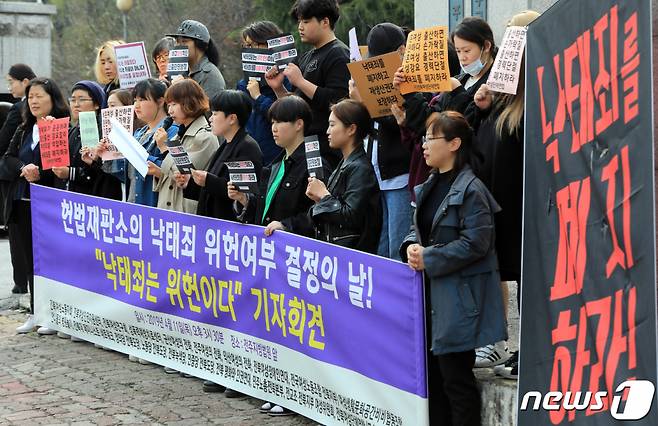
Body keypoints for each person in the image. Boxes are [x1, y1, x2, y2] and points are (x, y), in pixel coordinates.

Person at [400, 111, 506, 426]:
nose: (424, 147)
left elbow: (477, 243)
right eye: (424, 139)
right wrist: (410, 246)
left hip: (460, 298)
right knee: (432, 380)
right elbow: (418, 228)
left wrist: (429, 257)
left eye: (431, 139)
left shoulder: (472, 190)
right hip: (432, 295)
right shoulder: (431, 184)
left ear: (455, 143)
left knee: (456, 381)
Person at [228, 95, 328, 416]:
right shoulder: (278, 163)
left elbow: (317, 213)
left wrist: (286, 225)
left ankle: (293, 392)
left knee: (293, 325)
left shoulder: (312, 164)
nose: (273, 128)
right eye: (271, 121)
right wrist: (245, 201)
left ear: (299, 125)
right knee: (273, 322)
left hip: (296, 257)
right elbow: (264, 206)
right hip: (271, 256)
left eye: (280, 122)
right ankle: (275, 386)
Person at [471, 10, 540, 379]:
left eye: (519, 36)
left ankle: (530, 350)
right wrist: (483, 107)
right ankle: (511, 347)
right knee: (507, 273)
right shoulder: (502, 99)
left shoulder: (539, 96)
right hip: (500, 202)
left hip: (526, 205)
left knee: (530, 279)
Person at [0, 78, 70, 334]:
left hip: (47, 203)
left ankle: (53, 313)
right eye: (30, 98)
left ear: (53, 99)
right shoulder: (24, 130)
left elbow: (60, 167)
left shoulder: (62, 127)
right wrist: (23, 167)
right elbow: (7, 159)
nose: (34, 101)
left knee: (49, 261)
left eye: (39, 96)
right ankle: (35, 311)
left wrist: (40, 171)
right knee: (28, 260)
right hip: (20, 202)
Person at [350, 23, 412, 261]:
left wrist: (367, 103)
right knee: (382, 246)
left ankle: (403, 297)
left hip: (399, 175)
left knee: (399, 247)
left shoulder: (409, 80)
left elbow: (402, 124)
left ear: (401, 51)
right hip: (378, 174)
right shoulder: (373, 79)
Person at [265, 0, 350, 168]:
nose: (300, 27)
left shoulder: (339, 53)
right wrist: (279, 89)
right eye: (299, 22)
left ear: (325, 22)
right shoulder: (305, 56)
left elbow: (340, 102)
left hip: (326, 149)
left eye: (306, 21)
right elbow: (298, 106)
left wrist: (301, 81)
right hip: (303, 147)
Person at [398, 17, 498, 135]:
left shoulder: (496, 85)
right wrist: (409, 90)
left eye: (467, 51)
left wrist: (458, 93)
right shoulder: (460, 79)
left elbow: (469, 131)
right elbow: (430, 124)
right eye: (458, 51)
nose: (462, 57)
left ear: (486, 46)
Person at [306, 99, 381, 253]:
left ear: (351, 129)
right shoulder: (346, 163)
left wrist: (324, 196)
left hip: (353, 258)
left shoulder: (360, 168)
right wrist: (319, 199)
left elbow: (351, 216)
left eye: (332, 125)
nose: (327, 131)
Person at [175, 89, 263, 220]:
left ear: (232, 118)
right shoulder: (226, 144)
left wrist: (208, 180)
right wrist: (190, 182)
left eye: (215, 114)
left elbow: (242, 193)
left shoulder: (247, 147)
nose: (210, 119)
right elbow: (210, 191)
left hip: (228, 228)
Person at [151, 79, 219, 213]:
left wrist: (164, 149)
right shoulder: (179, 134)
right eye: (168, 105)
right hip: (167, 209)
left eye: (173, 104)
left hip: (185, 212)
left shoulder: (205, 136)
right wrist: (159, 172)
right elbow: (172, 173)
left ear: (190, 102)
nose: (169, 111)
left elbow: (185, 170)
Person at [1, 64, 36, 295]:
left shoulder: (18, 110)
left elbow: (4, 142)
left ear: (25, 81)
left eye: (11, 81)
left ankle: (21, 282)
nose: (9, 86)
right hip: (20, 171)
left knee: (17, 229)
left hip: (15, 179)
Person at [237, 21, 291, 165]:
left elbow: (286, 116)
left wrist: (258, 97)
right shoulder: (243, 84)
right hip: (249, 157)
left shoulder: (286, 78)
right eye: (247, 46)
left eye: (254, 45)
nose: (250, 50)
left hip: (276, 157)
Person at [125, 78, 178, 207]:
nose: (136, 105)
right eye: (135, 100)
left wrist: (142, 156)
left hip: (154, 206)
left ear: (160, 101)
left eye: (142, 100)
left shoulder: (173, 132)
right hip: (133, 203)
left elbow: (175, 171)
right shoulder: (139, 133)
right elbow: (129, 174)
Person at [166, 20, 226, 100]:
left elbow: (211, 110)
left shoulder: (210, 75)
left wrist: (186, 91)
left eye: (184, 42)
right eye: (177, 42)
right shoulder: (181, 72)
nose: (179, 46)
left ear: (199, 44)